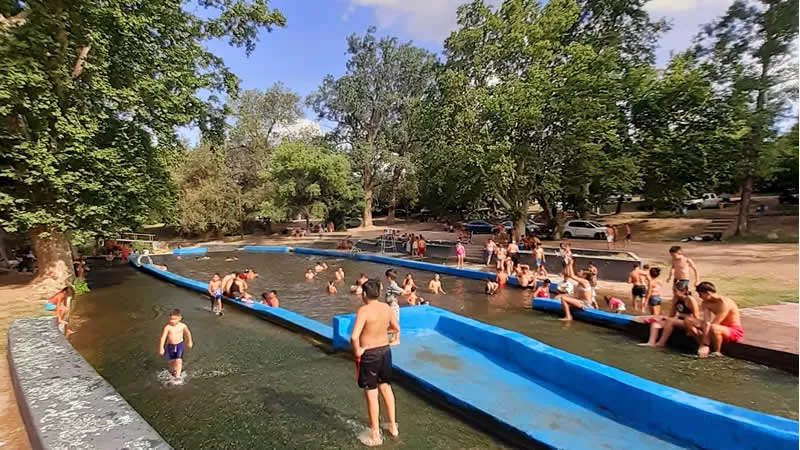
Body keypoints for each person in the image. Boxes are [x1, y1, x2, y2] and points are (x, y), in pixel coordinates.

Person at [350, 280, 400, 446]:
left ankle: (375, 434)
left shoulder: (364, 310)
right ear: (378, 292)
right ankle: (393, 426)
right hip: (385, 351)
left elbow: (354, 336)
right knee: (385, 387)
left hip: (370, 354)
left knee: (371, 393)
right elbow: (395, 328)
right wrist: (380, 331)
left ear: (364, 294)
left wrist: (358, 350)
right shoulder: (386, 308)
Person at [694, 282, 744, 358]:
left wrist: (705, 343)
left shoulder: (725, 302)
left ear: (708, 293)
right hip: (720, 327)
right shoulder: (705, 303)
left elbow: (715, 323)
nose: (700, 297)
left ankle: (716, 352)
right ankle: (702, 345)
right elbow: (707, 322)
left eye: (700, 295)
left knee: (714, 327)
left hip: (733, 330)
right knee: (689, 321)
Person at [158, 309, 193, 379]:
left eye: (174, 319)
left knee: (179, 360)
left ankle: (177, 376)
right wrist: (161, 348)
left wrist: (189, 341)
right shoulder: (167, 327)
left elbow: (188, 333)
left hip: (179, 345)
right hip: (170, 346)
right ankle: (172, 372)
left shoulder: (183, 326)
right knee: (171, 361)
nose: (172, 321)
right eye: (171, 319)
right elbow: (163, 337)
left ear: (180, 318)